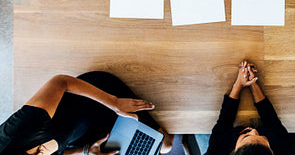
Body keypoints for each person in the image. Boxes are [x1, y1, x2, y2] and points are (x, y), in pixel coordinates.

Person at [0, 71, 173, 155]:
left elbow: (61, 81)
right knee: (158, 148)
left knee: (165, 145)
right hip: (86, 136)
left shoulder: (16, 133)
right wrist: (85, 152)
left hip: (100, 98)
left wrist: (114, 102)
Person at [206, 61, 295, 155]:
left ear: (234, 151)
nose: (253, 130)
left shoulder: (216, 151)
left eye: (246, 136)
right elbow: (271, 120)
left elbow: (224, 122)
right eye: (264, 138)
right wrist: (253, 82)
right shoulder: (283, 150)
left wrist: (239, 84)